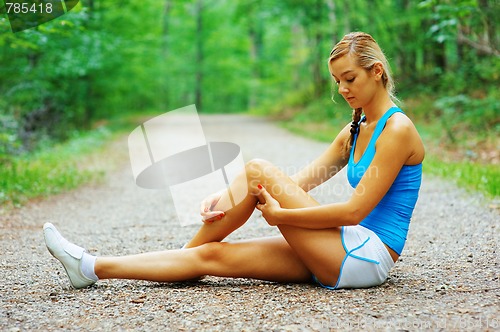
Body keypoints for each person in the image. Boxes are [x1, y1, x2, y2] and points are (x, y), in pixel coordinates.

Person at [43, 32, 424, 290]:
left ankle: (179, 259)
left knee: (258, 169)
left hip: (366, 256)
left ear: (377, 72)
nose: (342, 89)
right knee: (211, 255)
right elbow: (301, 183)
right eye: (336, 81)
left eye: (350, 79)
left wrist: (282, 217)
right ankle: (90, 267)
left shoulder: (397, 129)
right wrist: (226, 196)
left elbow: (354, 211)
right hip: (341, 246)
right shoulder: (355, 130)